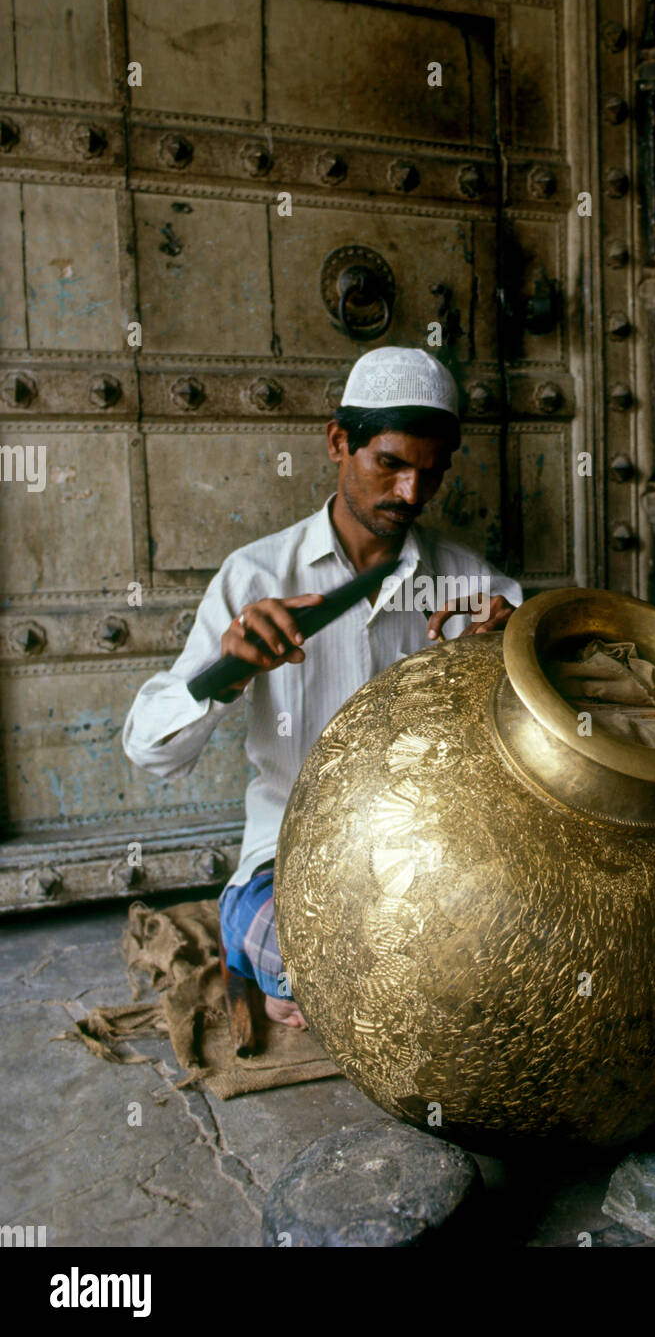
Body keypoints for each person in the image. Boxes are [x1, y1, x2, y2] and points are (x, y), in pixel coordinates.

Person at [122, 348, 522, 1028]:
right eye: (389, 464)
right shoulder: (255, 578)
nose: (409, 494)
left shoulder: (471, 588)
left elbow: (527, 756)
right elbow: (149, 752)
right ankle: (286, 968)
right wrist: (228, 670)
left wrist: (508, 662)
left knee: (511, 948)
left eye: (429, 475)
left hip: (429, 860)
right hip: (289, 861)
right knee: (314, 959)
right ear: (340, 442)